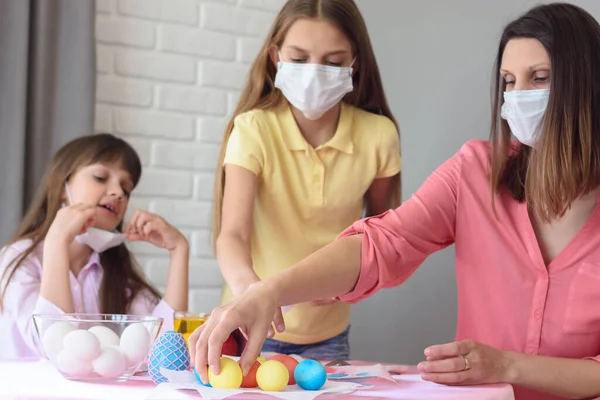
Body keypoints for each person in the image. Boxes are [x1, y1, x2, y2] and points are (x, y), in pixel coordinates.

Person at [190, 3, 600, 399]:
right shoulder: (474, 172)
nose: (518, 96)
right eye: (509, 82)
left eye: (540, 78)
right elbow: (383, 243)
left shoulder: (375, 135)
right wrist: (270, 292)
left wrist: (507, 366)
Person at [211, 0, 401, 360]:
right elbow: (231, 234)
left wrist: (346, 282)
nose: (314, 73)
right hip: (246, 325)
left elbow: (379, 236)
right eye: (298, 60)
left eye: (332, 62)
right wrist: (253, 292)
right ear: (275, 55)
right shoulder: (254, 129)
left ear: (354, 63)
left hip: (328, 335)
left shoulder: (379, 136)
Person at [0, 133, 190, 361]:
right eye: (100, 177)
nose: (118, 193)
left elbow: (161, 346)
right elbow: (53, 347)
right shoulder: (20, 257)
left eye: (126, 188)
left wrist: (179, 250)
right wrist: (56, 241)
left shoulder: (116, 272)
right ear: (61, 187)